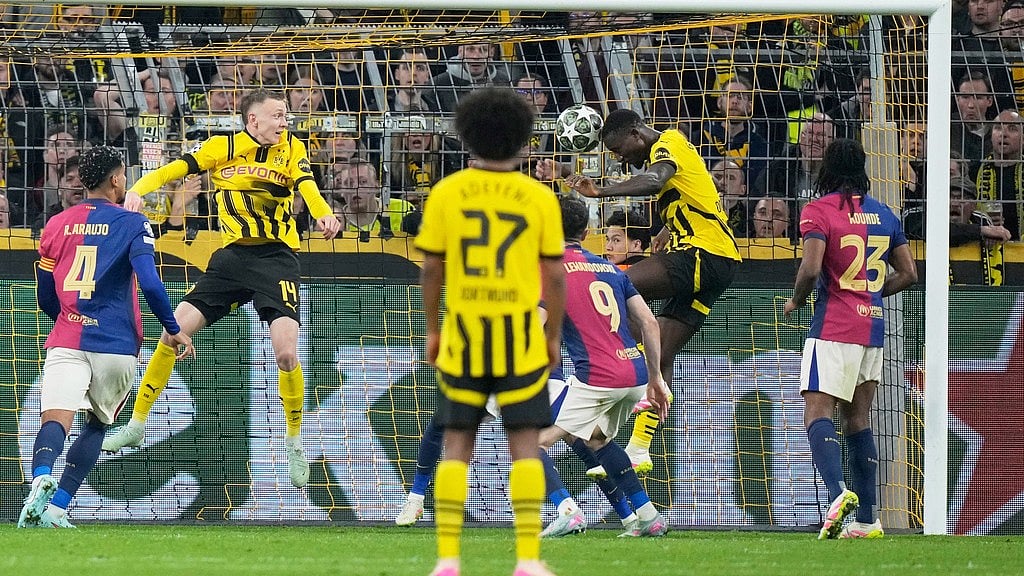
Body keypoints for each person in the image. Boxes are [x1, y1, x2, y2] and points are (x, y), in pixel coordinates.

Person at [100, 89, 341, 490]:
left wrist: (323, 214)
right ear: (253, 121)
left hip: (276, 258)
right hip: (231, 260)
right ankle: (138, 424)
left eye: (285, 116)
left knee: (285, 354)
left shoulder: (292, 149)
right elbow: (175, 169)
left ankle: (295, 441)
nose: (284, 122)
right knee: (172, 330)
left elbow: (308, 186)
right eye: (277, 116)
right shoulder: (221, 147)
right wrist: (140, 188)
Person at [415, 86, 565, 576]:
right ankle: (526, 559)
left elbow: (431, 268)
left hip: (464, 331)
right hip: (520, 333)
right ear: (525, 140)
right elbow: (557, 274)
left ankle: (448, 560)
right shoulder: (539, 197)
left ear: (465, 137)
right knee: (524, 443)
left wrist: (433, 329)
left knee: (457, 444)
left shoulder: (447, 192)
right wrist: (554, 336)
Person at [18, 145, 193, 529]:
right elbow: (149, 281)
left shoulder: (57, 223)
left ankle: (40, 476)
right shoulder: (133, 223)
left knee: (55, 418)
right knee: (96, 425)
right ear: (116, 179)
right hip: (117, 345)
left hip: (67, 338)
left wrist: (67, 321)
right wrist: (173, 326)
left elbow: (45, 294)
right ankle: (58, 507)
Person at [563, 108, 741, 473]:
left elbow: (657, 179)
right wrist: (664, 230)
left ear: (635, 132)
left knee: (611, 284)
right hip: (719, 260)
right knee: (661, 354)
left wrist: (602, 191)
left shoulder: (668, 143)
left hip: (702, 254)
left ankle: (603, 371)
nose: (623, 159)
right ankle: (640, 446)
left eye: (622, 150)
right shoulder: (677, 152)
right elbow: (694, 191)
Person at [783, 138, 918, 539]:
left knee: (816, 414)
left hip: (833, 326)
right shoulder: (885, 216)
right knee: (858, 419)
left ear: (827, 167)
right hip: (872, 330)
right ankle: (867, 520)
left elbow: (810, 269)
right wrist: (871, 295)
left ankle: (838, 493)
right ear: (862, 168)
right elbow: (910, 274)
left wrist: (795, 301)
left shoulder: (818, 211)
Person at [537, 195, 671, 539]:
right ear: (586, 231)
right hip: (636, 374)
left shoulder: (547, 269)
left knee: (529, 443)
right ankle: (648, 515)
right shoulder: (610, 268)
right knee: (597, 439)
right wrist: (656, 377)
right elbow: (650, 323)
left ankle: (566, 510)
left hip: (597, 378)